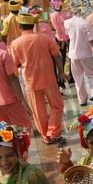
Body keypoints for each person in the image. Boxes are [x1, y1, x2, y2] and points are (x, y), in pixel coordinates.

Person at [10, 13, 68, 144]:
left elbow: (16, 64)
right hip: (48, 78)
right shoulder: (43, 38)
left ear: (20, 26)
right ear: (33, 25)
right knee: (57, 106)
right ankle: (53, 132)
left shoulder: (15, 44)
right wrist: (61, 72)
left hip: (30, 82)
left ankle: (46, 137)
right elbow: (57, 55)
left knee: (38, 111)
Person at [63, 2, 93, 106]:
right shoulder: (85, 23)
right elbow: (92, 40)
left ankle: (82, 100)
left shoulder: (67, 23)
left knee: (78, 78)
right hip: (85, 54)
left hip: (73, 54)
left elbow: (67, 35)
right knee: (92, 75)